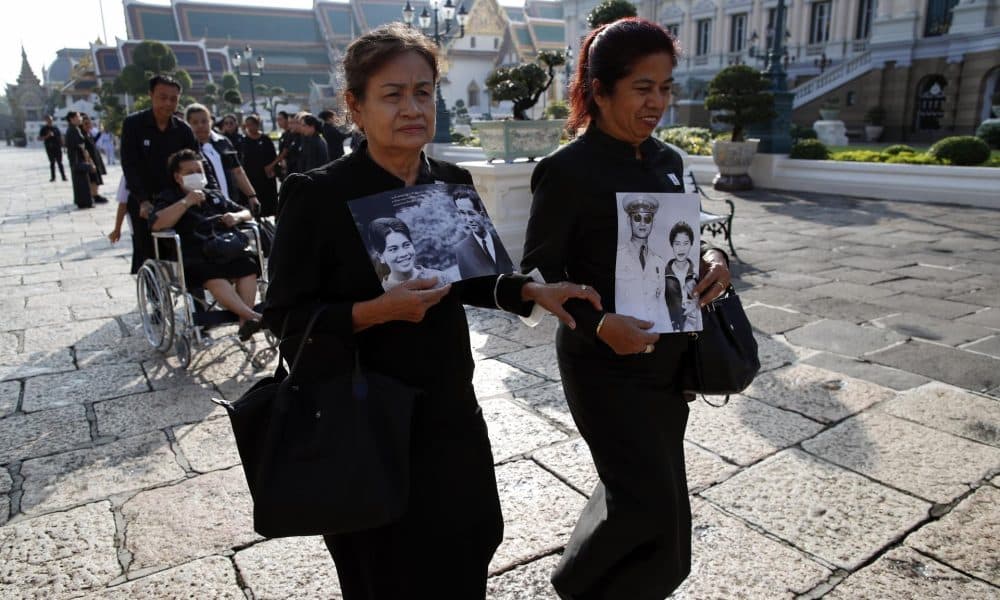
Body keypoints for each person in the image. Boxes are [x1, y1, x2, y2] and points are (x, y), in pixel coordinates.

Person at [263, 23, 601, 599]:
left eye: (424, 92)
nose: (413, 107)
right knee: (383, 571)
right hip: (364, 417)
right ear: (356, 106)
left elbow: (472, 277)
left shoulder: (450, 181)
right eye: (392, 94)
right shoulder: (317, 194)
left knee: (470, 542)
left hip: (449, 409)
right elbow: (285, 316)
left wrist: (528, 292)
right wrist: (376, 312)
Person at [520, 18, 732, 600]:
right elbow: (538, 275)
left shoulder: (667, 159)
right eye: (643, 87)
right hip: (602, 364)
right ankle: (585, 586)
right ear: (601, 89)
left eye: (666, 87)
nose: (658, 102)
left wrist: (713, 257)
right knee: (651, 506)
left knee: (649, 492)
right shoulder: (566, 171)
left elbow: (695, 233)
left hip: (667, 361)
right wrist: (598, 324)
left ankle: (587, 582)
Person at [151, 149, 262, 340]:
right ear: (178, 177)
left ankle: (245, 322)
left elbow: (246, 212)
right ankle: (252, 316)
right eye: (190, 172)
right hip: (194, 253)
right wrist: (186, 202)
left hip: (223, 247)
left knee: (248, 265)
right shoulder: (168, 197)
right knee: (211, 272)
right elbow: (157, 223)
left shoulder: (214, 195)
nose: (196, 175)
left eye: (199, 171)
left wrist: (235, 217)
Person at [120, 75, 199, 274]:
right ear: (151, 95)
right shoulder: (133, 125)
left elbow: (197, 163)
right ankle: (155, 297)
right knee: (149, 253)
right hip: (145, 199)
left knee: (189, 249)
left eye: (173, 99)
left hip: (175, 199)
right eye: (162, 97)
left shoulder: (183, 130)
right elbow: (130, 166)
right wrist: (143, 200)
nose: (168, 103)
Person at [185, 104, 260, 214]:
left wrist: (251, 195)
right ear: (188, 124)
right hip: (206, 208)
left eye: (204, 121)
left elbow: (238, 171)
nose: (200, 125)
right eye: (195, 123)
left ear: (210, 121)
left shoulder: (223, 142)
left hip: (231, 202)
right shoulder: (187, 147)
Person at [615, 193, 670, 330]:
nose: (642, 224)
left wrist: (669, 331)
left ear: (653, 223)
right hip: (623, 331)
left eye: (647, 219)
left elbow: (661, 304)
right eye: (637, 218)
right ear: (629, 221)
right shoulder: (618, 256)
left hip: (654, 331)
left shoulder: (659, 262)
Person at [369, 217, 448, 291]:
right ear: (381, 256)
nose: (403, 253)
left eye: (406, 245)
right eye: (393, 249)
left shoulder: (441, 279)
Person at [453, 190, 514, 278]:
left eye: (471, 213)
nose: (468, 220)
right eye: (462, 213)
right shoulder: (461, 250)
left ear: (483, 214)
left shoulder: (502, 237)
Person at [239, 114, 278, 217]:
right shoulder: (244, 140)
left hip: (266, 176)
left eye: (252, 124)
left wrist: (272, 167)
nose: (250, 127)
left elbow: (274, 156)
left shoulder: (265, 139)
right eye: (247, 125)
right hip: (251, 176)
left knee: (269, 202)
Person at [664, 220, 699, 332]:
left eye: (686, 243)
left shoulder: (696, 273)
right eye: (677, 243)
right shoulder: (663, 274)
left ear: (691, 244)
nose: (681, 248)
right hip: (671, 327)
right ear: (671, 245)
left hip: (695, 325)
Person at [63, 111, 93, 209]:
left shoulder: (74, 129)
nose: (80, 118)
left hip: (76, 159)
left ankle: (83, 201)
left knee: (81, 181)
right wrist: (88, 159)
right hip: (77, 159)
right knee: (82, 182)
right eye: (78, 116)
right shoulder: (73, 130)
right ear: (72, 119)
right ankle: (84, 202)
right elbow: (80, 145)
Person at [81, 114, 108, 204]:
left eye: (89, 123)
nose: (89, 125)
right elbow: (84, 149)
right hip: (90, 159)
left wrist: (100, 132)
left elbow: (94, 142)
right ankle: (94, 195)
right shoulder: (82, 136)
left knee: (96, 178)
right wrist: (89, 161)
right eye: (86, 124)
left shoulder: (89, 134)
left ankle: (95, 193)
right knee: (93, 178)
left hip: (95, 157)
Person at [38, 115, 67, 182]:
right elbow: (39, 138)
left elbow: (60, 137)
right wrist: (47, 136)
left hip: (57, 147)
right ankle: (53, 177)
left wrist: (64, 145)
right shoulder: (44, 129)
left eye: (51, 120)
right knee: (52, 163)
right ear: (46, 121)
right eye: (48, 120)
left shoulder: (55, 128)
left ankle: (63, 176)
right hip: (49, 148)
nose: (50, 121)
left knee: (60, 162)